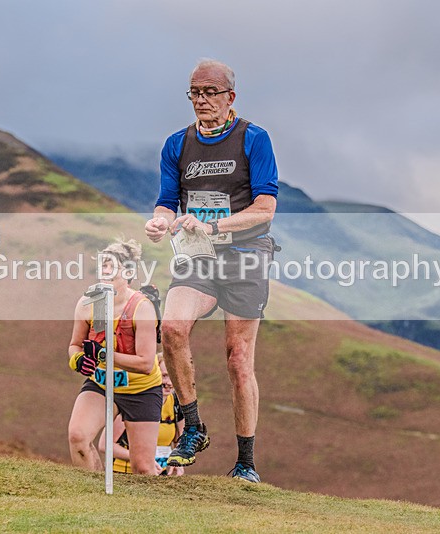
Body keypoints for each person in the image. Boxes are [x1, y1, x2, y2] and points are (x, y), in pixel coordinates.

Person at [144, 59, 279, 482]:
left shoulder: (253, 139)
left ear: (230, 98)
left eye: (210, 93)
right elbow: (168, 199)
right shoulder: (176, 144)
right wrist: (160, 220)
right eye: (194, 93)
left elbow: (266, 208)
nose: (201, 100)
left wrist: (217, 224)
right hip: (198, 255)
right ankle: (194, 427)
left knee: (238, 360)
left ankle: (245, 462)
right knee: (173, 328)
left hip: (245, 256)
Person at [67, 239, 164, 475]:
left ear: (128, 273)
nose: (105, 273)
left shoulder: (142, 308)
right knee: (78, 437)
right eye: (103, 268)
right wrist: (78, 360)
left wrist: (103, 355)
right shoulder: (87, 303)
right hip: (102, 383)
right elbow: (74, 345)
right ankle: (92, 499)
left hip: (140, 390)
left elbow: (144, 363)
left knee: (142, 467)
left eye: (112, 268)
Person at [98, 356, 185, 476]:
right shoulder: (136, 400)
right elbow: (105, 445)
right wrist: (142, 459)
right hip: (124, 474)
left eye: (173, 377)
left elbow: (179, 440)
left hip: (159, 474)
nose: (169, 383)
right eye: (164, 376)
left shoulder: (176, 404)